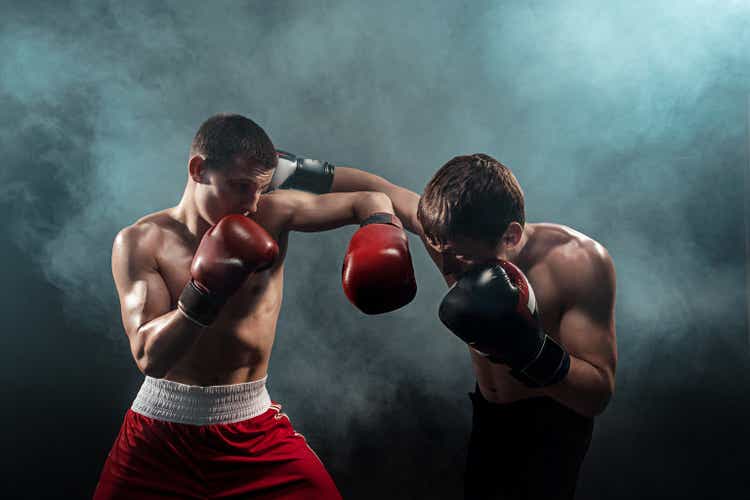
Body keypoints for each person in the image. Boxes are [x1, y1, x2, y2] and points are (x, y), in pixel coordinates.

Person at [94, 113, 417, 499]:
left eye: (260, 188)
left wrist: (380, 224)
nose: (250, 203)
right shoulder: (140, 242)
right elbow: (149, 357)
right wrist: (204, 291)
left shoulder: (272, 215)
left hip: (253, 432)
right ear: (198, 170)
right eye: (240, 186)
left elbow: (370, 198)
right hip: (159, 438)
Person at [331, 153, 617, 499]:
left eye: (461, 256)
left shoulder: (578, 263)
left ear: (510, 236)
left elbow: (597, 394)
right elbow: (379, 187)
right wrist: (289, 171)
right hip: (489, 415)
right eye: (439, 249)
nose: (448, 269)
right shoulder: (448, 234)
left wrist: (527, 350)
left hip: (552, 426)